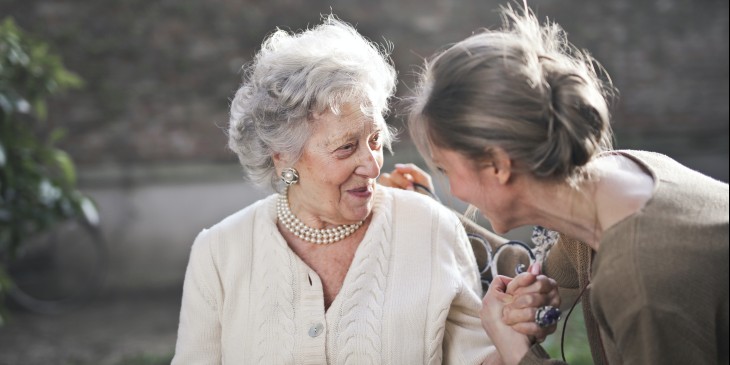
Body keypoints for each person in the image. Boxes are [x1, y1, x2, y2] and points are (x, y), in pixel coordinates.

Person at [171, 16, 559, 364]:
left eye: (374, 139)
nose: (373, 165)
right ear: (283, 158)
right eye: (345, 147)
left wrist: (511, 332)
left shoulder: (429, 228)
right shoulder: (219, 253)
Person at [403, 4, 729, 365]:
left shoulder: (641, 281)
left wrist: (516, 349)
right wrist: (421, 210)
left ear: (497, 165)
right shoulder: (612, 181)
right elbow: (529, 276)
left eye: (445, 169)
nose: (456, 190)